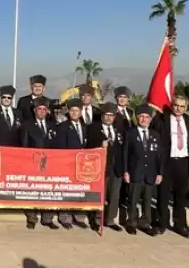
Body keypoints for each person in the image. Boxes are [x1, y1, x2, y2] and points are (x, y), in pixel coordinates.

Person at [150, 94, 189, 237]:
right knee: (163, 195)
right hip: (166, 161)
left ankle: (179, 225)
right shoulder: (161, 119)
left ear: (186, 108)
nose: (178, 108)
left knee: (180, 195)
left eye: (182, 106)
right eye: (176, 105)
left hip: (183, 162)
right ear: (171, 105)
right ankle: (162, 223)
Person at [21, 97, 63, 229]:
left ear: (47, 111)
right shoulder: (27, 125)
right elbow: (24, 145)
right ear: (34, 111)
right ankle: (31, 218)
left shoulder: (53, 125)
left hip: (50, 164)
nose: (41, 111)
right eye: (39, 109)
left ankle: (47, 218)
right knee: (32, 191)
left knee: (49, 191)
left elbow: (57, 144)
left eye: (44, 109)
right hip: (32, 163)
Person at [123, 104, 163, 236]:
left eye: (147, 117)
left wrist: (159, 173)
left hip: (150, 173)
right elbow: (125, 154)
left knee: (147, 200)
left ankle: (145, 223)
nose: (144, 119)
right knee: (133, 199)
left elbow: (159, 156)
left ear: (150, 119)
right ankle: (132, 223)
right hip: (135, 172)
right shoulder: (130, 134)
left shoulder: (155, 135)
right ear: (137, 118)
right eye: (141, 117)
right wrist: (125, 171)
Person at [86, 102, 125, 231]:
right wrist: (99, 144)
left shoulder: (119, 128)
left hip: (117, 167)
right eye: (106, 115)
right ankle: (97, 219)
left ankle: (110, 219)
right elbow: (88, 146)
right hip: (101, 167)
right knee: (100, 194)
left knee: (114, 195)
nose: (109, 118)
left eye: (111, 115)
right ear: (102, 116)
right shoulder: (94, 128)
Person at [55, 98, 87, 229]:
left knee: (80, 192)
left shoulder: (85, 127)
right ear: (68, 112)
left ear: (81, 112)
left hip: (82, 166)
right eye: (72, 111)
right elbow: (61, 147)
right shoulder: (62, 127)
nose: (74, 113)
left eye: (77, 111)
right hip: (68, 164)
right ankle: (65, 217)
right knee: (67, 191)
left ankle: (79, 217)